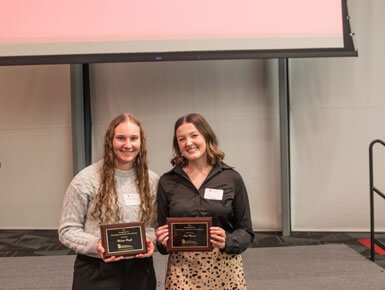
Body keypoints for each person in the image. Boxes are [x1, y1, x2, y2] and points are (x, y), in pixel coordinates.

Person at [58, 113, 159, 290]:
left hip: (140, 269)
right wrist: (95, 245)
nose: (128, 145)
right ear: (110, 141)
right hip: (95, 269)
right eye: (121, 138)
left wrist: (150, 239)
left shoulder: (152, 180)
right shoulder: (85, 179)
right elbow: (67, 230)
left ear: (141, 142)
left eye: (133, 138)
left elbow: (154, 227)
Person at [156, 113, 254, 289]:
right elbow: (162, 238)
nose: (188, 142)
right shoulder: (167, 182)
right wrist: (162, 241)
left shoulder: (232, 178)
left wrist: (228, 241)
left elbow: (246, 231)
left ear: (206, 137)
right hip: (182, 272)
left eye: (194, 135)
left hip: (225, 269)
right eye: (181, 139)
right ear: (177, 145)